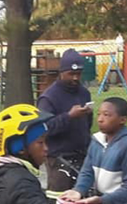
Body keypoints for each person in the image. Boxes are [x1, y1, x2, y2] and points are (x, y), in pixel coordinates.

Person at [37, 49, 93, 191]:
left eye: (78, 74)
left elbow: (88, 124)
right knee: (60, 200)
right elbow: (44, 128)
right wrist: (69, 116)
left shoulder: (84, 93)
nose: (75, 78)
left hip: (82, 155)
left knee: (82, 199)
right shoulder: (49, 97)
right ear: (62, 72)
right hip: (59, 158)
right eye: (71, 74)